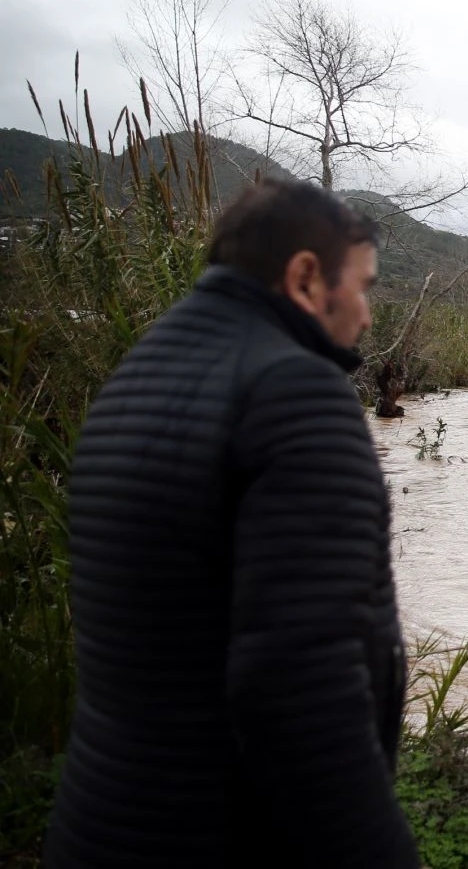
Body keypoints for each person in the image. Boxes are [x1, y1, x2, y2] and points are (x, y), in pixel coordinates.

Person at [45, 179, 419, 867]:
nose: (366, 315)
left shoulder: (134, 380)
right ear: (306, 276)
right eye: (361, 286)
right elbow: (300, 688)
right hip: (227, 836)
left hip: (101, 825)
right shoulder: (295, 393)